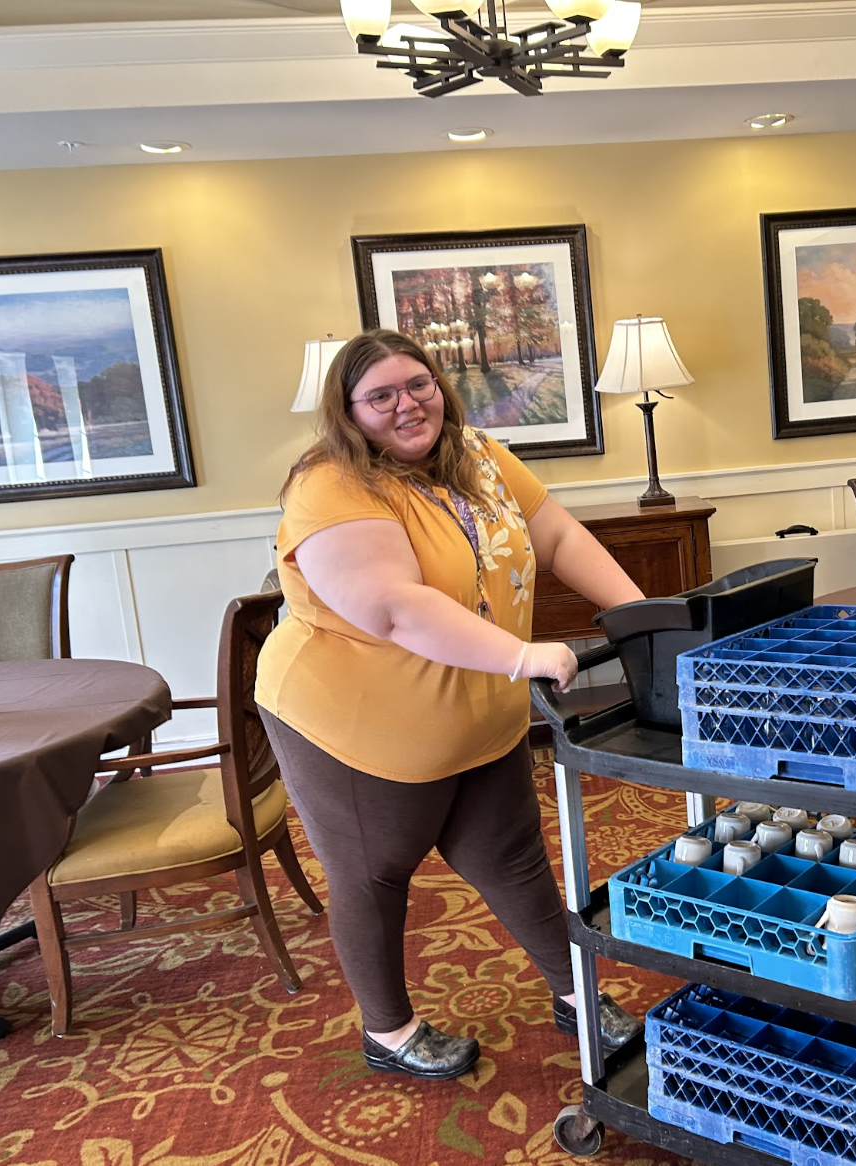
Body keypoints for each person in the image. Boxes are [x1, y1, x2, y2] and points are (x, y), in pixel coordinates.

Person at [255, 328, 647, 1081]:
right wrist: (522, 656)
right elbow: (394, 607)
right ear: (347, 411)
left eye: (419, 384)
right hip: (356, 725)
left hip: (474, 709)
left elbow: (558, 535)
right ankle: (389, 1031)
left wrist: (642, 617)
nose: (407, 405)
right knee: (376, 874)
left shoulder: (479, 456)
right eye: (381, 396)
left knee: (515, 859)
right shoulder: (329, 484)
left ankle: (574, 990)